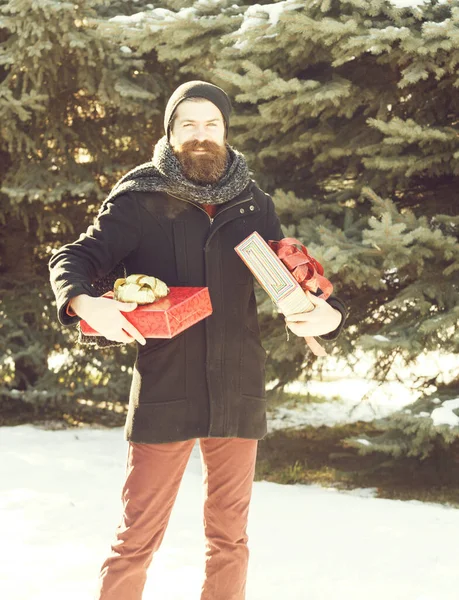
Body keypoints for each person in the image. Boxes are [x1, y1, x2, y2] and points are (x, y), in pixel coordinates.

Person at [49, 81, 347, 600]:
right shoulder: (139, 198)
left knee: (229, 538)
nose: (200, 135)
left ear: (227, 132)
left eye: (212, 124)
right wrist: (86, 302)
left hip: (237, 388)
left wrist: (326, 314)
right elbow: (73, 258)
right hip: (167, 388)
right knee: (136, 537)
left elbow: (295, 278)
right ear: (170, 132)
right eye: (188, 124)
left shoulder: (253, 203)